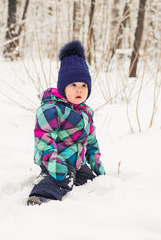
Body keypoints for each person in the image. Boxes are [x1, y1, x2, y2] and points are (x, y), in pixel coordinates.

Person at [27, 40, 105, 206]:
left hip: (78, 163)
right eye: (73, 85)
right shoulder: (51, 109)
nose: (79, 90)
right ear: (63, 87)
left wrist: (97, 167)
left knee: (89, 182)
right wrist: (55, 164)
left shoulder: (86, 113)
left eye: (84, 85)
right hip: (55, 161)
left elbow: (91, 142)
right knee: (60, 179)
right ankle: (40, 197)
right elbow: (44, 139)